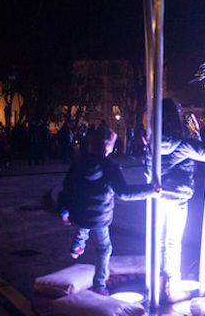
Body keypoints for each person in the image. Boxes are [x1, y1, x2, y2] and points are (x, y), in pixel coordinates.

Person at [57, 125, 159, 295]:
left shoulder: (79, 162)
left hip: (80, 212)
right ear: (110, 148)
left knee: (85, 221)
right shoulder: (110, 166)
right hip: (100, 216)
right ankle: (99, 286)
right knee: (104, 248)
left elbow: (67, 187)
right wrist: (150, 190)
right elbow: (124, 193)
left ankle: (78, 244)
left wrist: (63, 210)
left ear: (90, 144)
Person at [154, 98, 205, 303]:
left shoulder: (153, 141)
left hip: (157, 198)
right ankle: (173, 287)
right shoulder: (182, 144)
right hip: (177, 198)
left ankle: (160, 281)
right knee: (173, 242)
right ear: (175, 118)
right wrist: (203, 130)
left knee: (161, 242)